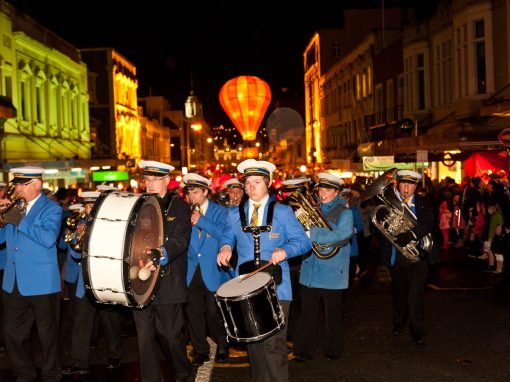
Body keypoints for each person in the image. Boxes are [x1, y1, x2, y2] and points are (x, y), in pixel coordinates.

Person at [217, 158, 312, 382]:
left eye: (256, 182)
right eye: (248, 182)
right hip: (246, 287)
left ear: (267, 183)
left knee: (274, 345)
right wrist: (225, 247)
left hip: (278, 288)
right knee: (254, 346)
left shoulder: (283, 211)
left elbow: (304, 242)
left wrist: (286, 250)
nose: (251, 187)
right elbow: (226, 236)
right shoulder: (233, 213)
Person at [0, 166, 63, 381]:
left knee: (47, 337)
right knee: (11, 334)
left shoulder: (51, 209)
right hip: (13, 282)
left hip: (42, 283)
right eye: (16, 184)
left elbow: (48, 239)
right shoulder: (14, 207)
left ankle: (52, 375)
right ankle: (25, 374)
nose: (17, 188)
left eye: (22, 184)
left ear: (37, 185)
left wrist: (19, 218)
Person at [133, 160, 193, 382]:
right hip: (139, 277)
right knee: (144, 339)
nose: (149, 184)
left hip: (168, 280)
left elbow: (180, 240)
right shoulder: (137, 204)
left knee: (169, 334)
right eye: (147, 179)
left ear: (167, 180)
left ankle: (181, 370)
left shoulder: (179, 206)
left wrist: (160, 253)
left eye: (155, 179)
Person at [292, 173, 353, 362]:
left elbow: (342, 236)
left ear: (336, 192)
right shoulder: (310, 208)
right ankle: (303, 349)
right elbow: (297, 232)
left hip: (332, 270)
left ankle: (334, 349)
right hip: (310, 268)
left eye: (328, 190)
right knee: (307, 311)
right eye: (320, 189)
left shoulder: (345, 212)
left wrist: (313, 233)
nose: (323, 193)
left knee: (332, 313)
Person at [62, 191, 124, 376]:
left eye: (92, 206)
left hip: (105, 279)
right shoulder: (81, 224)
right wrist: (76, 238)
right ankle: (79, 362)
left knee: (110, 321)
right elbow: (74, 255)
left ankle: (115, 356)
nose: (89, 209)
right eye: (87, 206)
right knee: (82, 322)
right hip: (85, 282)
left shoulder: (111, 225)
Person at [379, 169, 439, 346]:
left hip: (418, 256)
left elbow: (428, 222)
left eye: (410, 184)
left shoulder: (423, 203)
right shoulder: (389, 204)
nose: (407, 188)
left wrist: (411, 234)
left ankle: (418, 331)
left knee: (415, 296)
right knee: (398, 294)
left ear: (415, 187)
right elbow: (380, 226)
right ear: (398, 185)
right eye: (404, 184)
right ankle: (398, 323)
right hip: (395, 256)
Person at [183, 173, 231, 366]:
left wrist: (200, 220)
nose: (191, 197)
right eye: (188, 193)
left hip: (213, 270)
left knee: (212, 312)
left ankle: (222, 343)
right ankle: (200, 350)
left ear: (205, 192)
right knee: (193, 313)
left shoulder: (220, 211)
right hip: (191, 270)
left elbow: (224, 233)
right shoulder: (183, 211)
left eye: (195, 192)